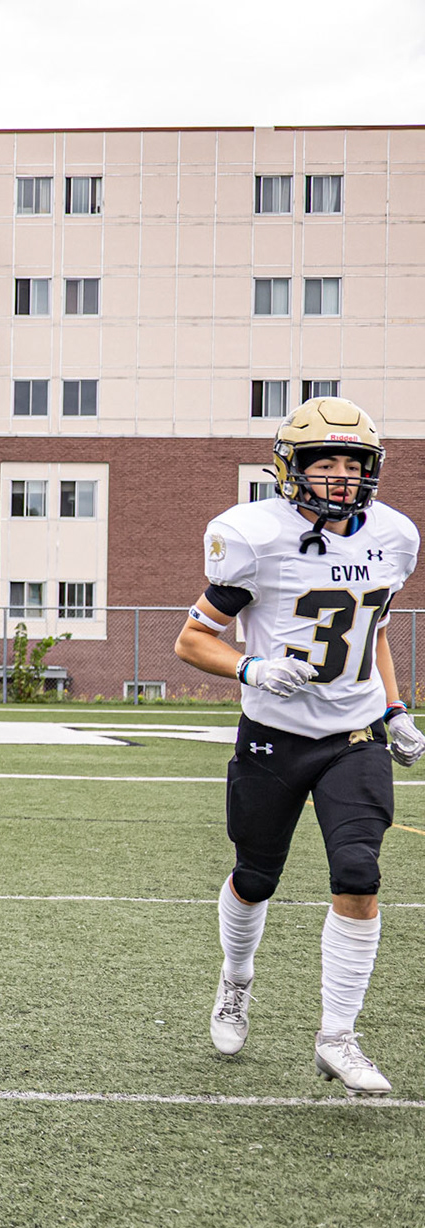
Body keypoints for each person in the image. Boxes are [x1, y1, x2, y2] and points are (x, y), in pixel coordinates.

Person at [174, 396, 421, 1095]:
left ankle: (338, 1035)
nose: (341, 475)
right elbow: (191, 640)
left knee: (359, 873)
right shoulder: (253, 535)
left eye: (353, 462)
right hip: (274, 737)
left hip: (355, 736)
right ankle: (236, 980)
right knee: (256, 875)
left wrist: (395, 709)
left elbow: (372, 634)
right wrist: (250, 667)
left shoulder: (394, 535)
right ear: (291, 468)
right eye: (325, 462)